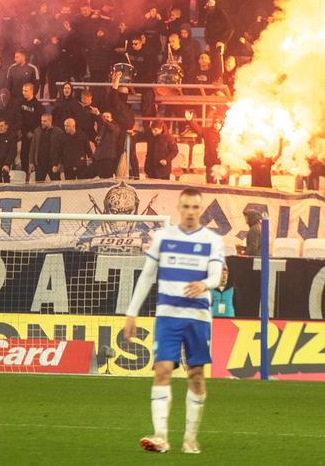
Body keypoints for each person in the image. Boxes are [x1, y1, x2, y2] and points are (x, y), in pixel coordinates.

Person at [124, 188, 225, 455]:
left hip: (198, 316)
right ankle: (161, 436)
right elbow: (147, 276)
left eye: (195, 207)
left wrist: (204, 284)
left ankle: (190, 439)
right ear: (179, 208)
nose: (190, 212)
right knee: (162, 370)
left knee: (196, 375)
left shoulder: (212, 241)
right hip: (168, 315)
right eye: (186, 207)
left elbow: (216, 276)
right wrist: (131, 313)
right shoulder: (162, 238)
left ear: (201, 210)